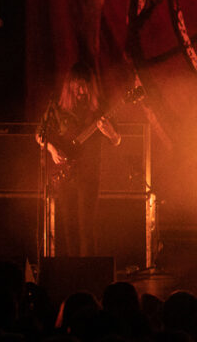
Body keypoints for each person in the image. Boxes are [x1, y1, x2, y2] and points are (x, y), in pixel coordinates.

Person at [36, 62, 121, 256]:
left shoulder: (101, 109)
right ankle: (70, 271)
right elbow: (39, 134)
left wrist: (110, 133)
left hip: (89, 174)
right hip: (64, 174)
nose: (82, 90)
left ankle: (88, 271)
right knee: (68, 227)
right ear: (70, 86)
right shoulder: (58, 109)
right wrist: (52, 149)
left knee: (87, 227)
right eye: (78, 86)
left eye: (85, 86)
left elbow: (117, 140)